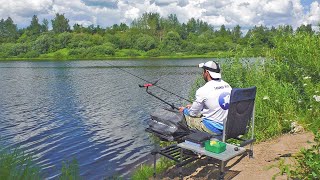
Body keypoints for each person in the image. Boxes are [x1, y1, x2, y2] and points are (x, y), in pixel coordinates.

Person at [179, 61, 232, 135]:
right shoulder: (227, 86)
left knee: (182, 117)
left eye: (203, 71)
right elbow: (216, 103)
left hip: (212, 128)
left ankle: (185, 141)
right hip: (227, 126)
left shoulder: (203, 90)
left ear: (207, 72)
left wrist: (184, 110)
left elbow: (192, 113)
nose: (202, 74)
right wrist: (192, 106)